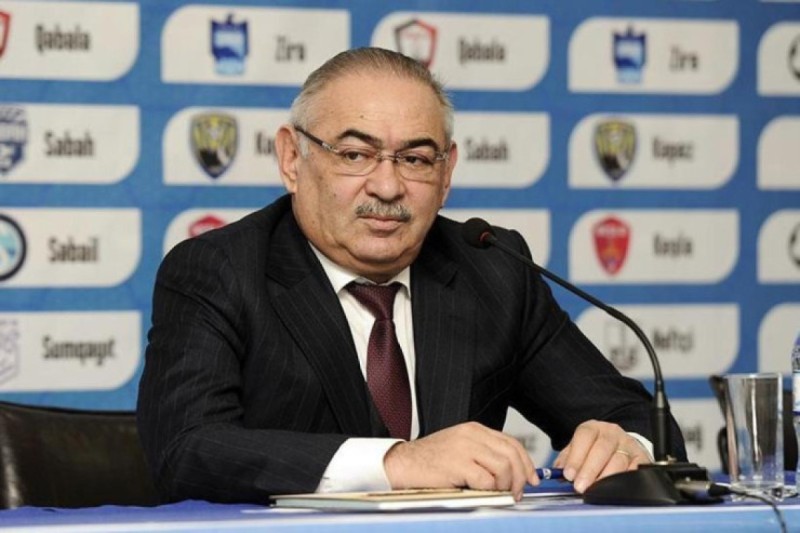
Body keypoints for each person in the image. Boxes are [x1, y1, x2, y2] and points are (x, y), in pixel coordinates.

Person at [137, 47, 686, 504]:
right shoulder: (220, 270)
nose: (387, 187)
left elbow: (638, 420)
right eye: (355, 154)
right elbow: (186, 449)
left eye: (416, 160)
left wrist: (625, 444)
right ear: (292, 159)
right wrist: (398, 462)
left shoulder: (492, 269)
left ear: (446, 175)